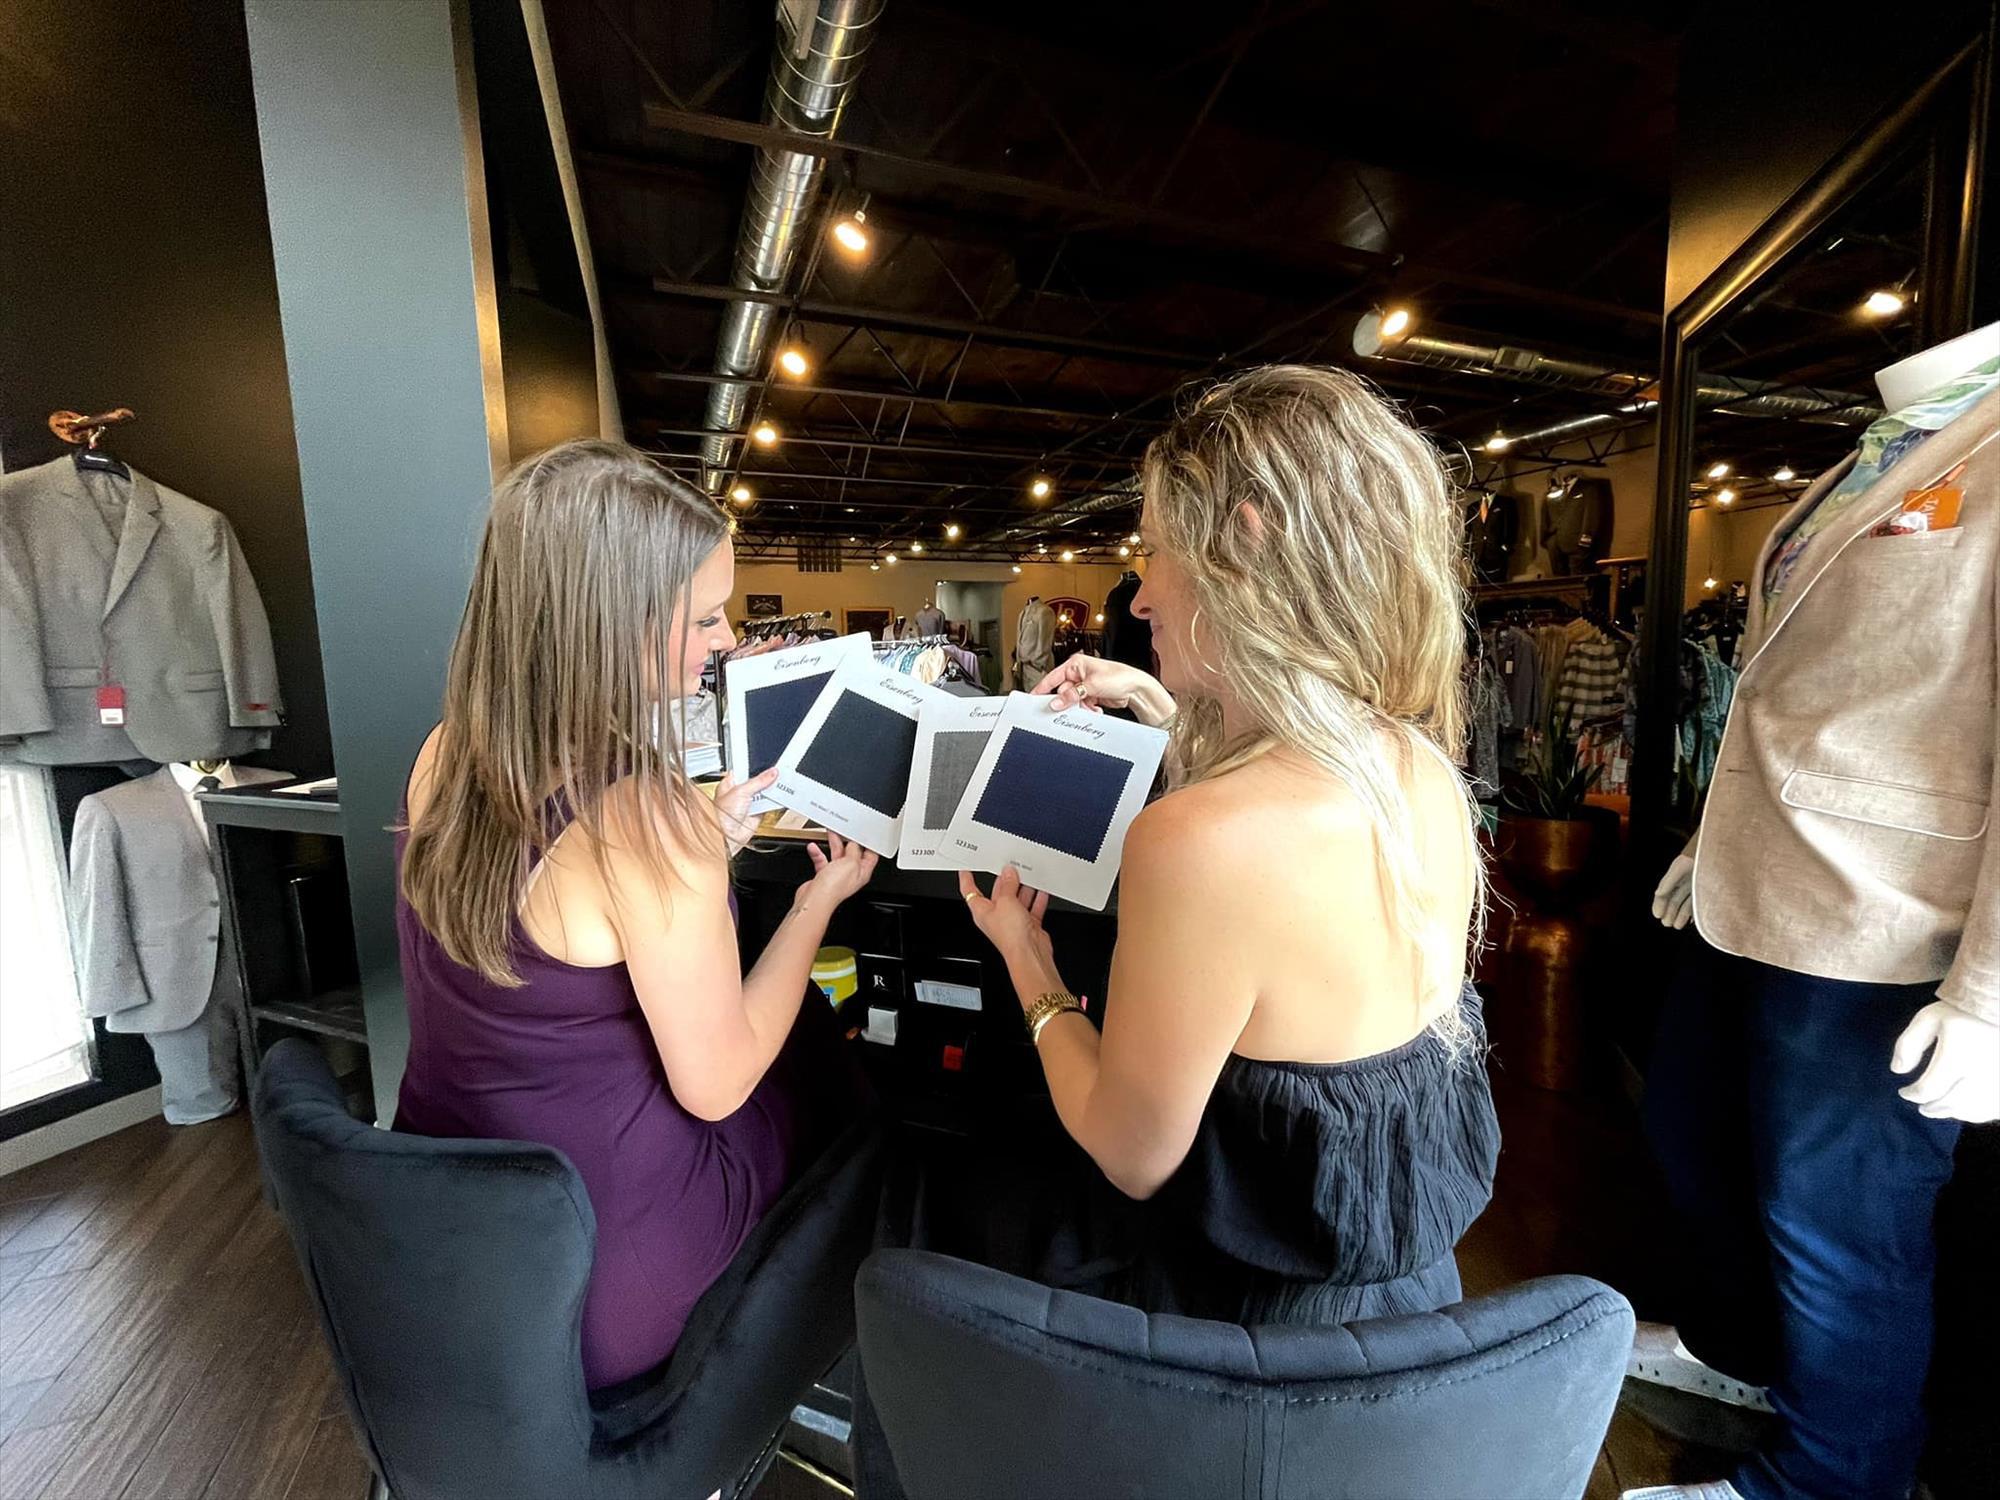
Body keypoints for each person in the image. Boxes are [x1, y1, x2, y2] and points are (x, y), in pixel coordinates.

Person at [960, 363, 1501, 1326]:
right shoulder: (1421, 770)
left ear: (1242, 548)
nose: (1138, 598)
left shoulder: (1194, 844)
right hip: (1414, 1308)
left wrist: (1026, 959)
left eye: (1156, 551)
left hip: (1252, 1349)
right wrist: (1168, 714)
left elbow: (1132, 1155)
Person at [394, 439, 877, 1390]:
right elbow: (720, 1084)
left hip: (450, 1229)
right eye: (703, 617)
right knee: (830, 1067)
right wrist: (816, 903)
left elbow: (561, 919)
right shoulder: (644, 814)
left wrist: (699, 858)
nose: (727, 639)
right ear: (608, 623)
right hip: (603, 1282)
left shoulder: (443, 752)